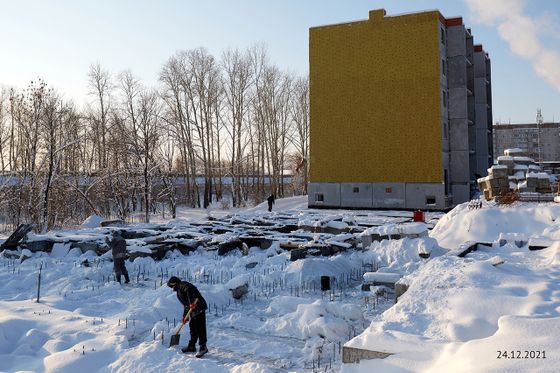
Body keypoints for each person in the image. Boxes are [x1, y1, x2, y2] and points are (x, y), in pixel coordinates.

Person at [167, 276, 209, 357]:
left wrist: (192, 302)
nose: (172, 288)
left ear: (174, 283)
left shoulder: (182, 284)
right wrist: (185, 316)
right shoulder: (179, 291)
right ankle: (192, 346)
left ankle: (203, 347)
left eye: (171, 286)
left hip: (198, 307)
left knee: (200, 328)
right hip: (193, 310)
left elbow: (190, 290)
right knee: (192, 328)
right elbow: (186, 305)